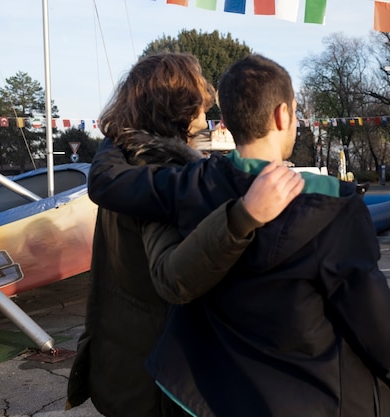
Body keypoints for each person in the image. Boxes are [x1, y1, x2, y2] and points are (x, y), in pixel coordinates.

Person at [84, 54, 390, 417]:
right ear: (283, 114)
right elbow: (372, 313)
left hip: (211, 389)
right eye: (198, 109)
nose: (203, 119)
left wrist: (118, 132)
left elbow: (109, 183)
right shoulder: (332, 204)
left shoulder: (186, 185)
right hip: (307, 395)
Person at [66, 52, 304, 417]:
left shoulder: (125, 164)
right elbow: (175, 277)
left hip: (122, 366)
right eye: (200, 106)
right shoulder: (159, 175)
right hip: (158, 383)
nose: (206, 117)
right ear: (176, 109)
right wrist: (243, 217)